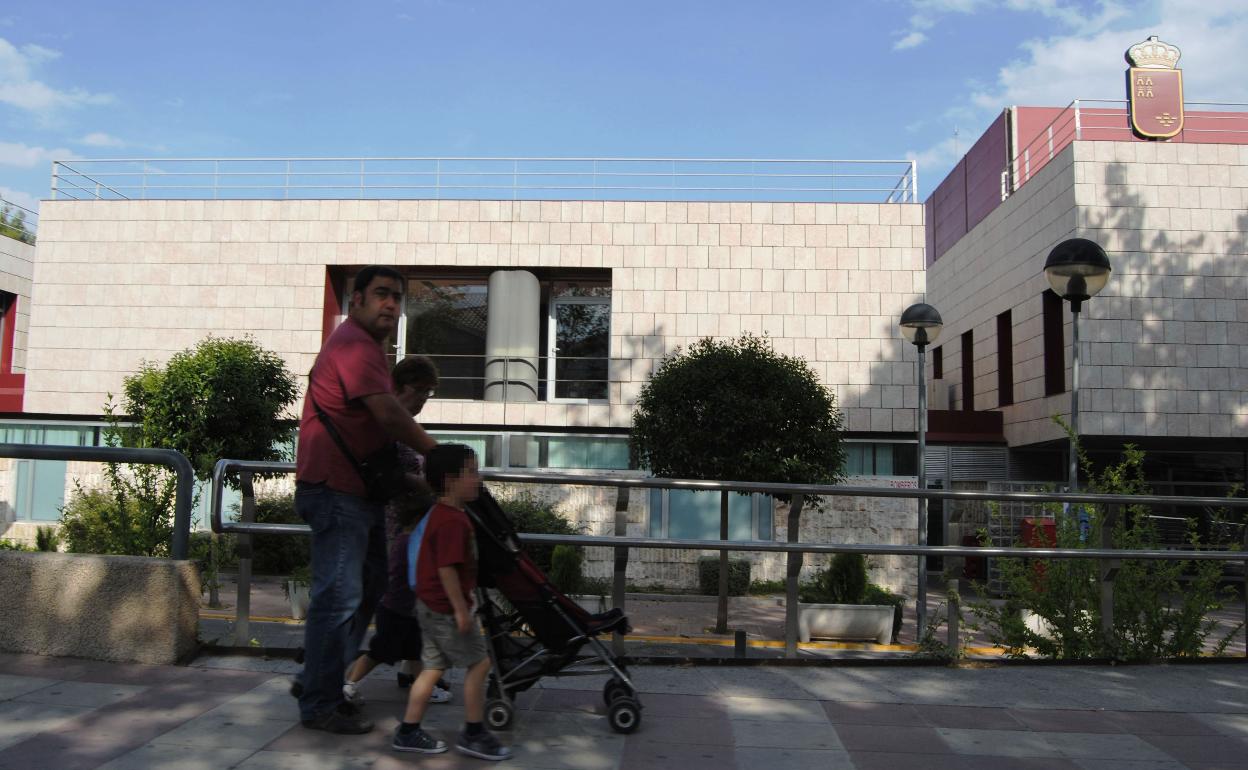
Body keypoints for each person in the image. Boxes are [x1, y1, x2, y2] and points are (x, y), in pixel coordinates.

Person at [295, 265, 437, 735]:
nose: (391, 305)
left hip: (358, 492)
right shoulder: (355, 345)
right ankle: (319, 701)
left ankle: (320, 678)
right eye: (381, 294)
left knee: (368, 585)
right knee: (339, 597)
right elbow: (389, 414)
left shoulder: (366, 348)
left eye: (397, 297)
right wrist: (440, 457)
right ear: (356, 300)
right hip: (336, 490)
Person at [342, 355, 451, 706]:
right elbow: (392, 476)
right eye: (421, 392)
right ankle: (352, 678)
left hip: (408, 528)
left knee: (413, 606)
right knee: (404, 606)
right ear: (402, 387)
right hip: (397, 528)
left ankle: (412, 671)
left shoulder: (400, 423)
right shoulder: (390, 425)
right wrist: (433, 487)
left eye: (428, 394)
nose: (423, 400)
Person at [392, 444, 511, 761]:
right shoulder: (452, 521)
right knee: (480, 663)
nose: (478, 478)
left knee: (432, 669)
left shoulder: (444, 514)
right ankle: (473, 733)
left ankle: (407, 731)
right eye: (471, 472)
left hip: (430, 606)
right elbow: (446, 569)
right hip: (445, 609)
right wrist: (461, 609)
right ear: (449, 481)